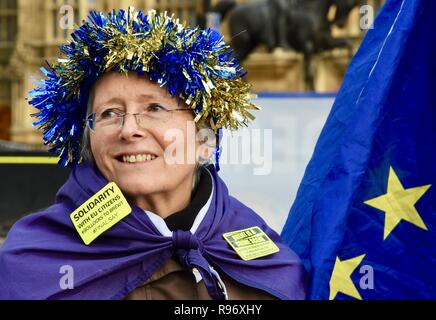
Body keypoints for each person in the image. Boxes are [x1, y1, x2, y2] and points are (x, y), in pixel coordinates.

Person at [0, 8, 306, 300]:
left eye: (154, 108)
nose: (129, 129)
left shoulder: (270, 263)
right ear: (89, 140)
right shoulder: (30, 262)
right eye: (109, 113)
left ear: (205, 140)